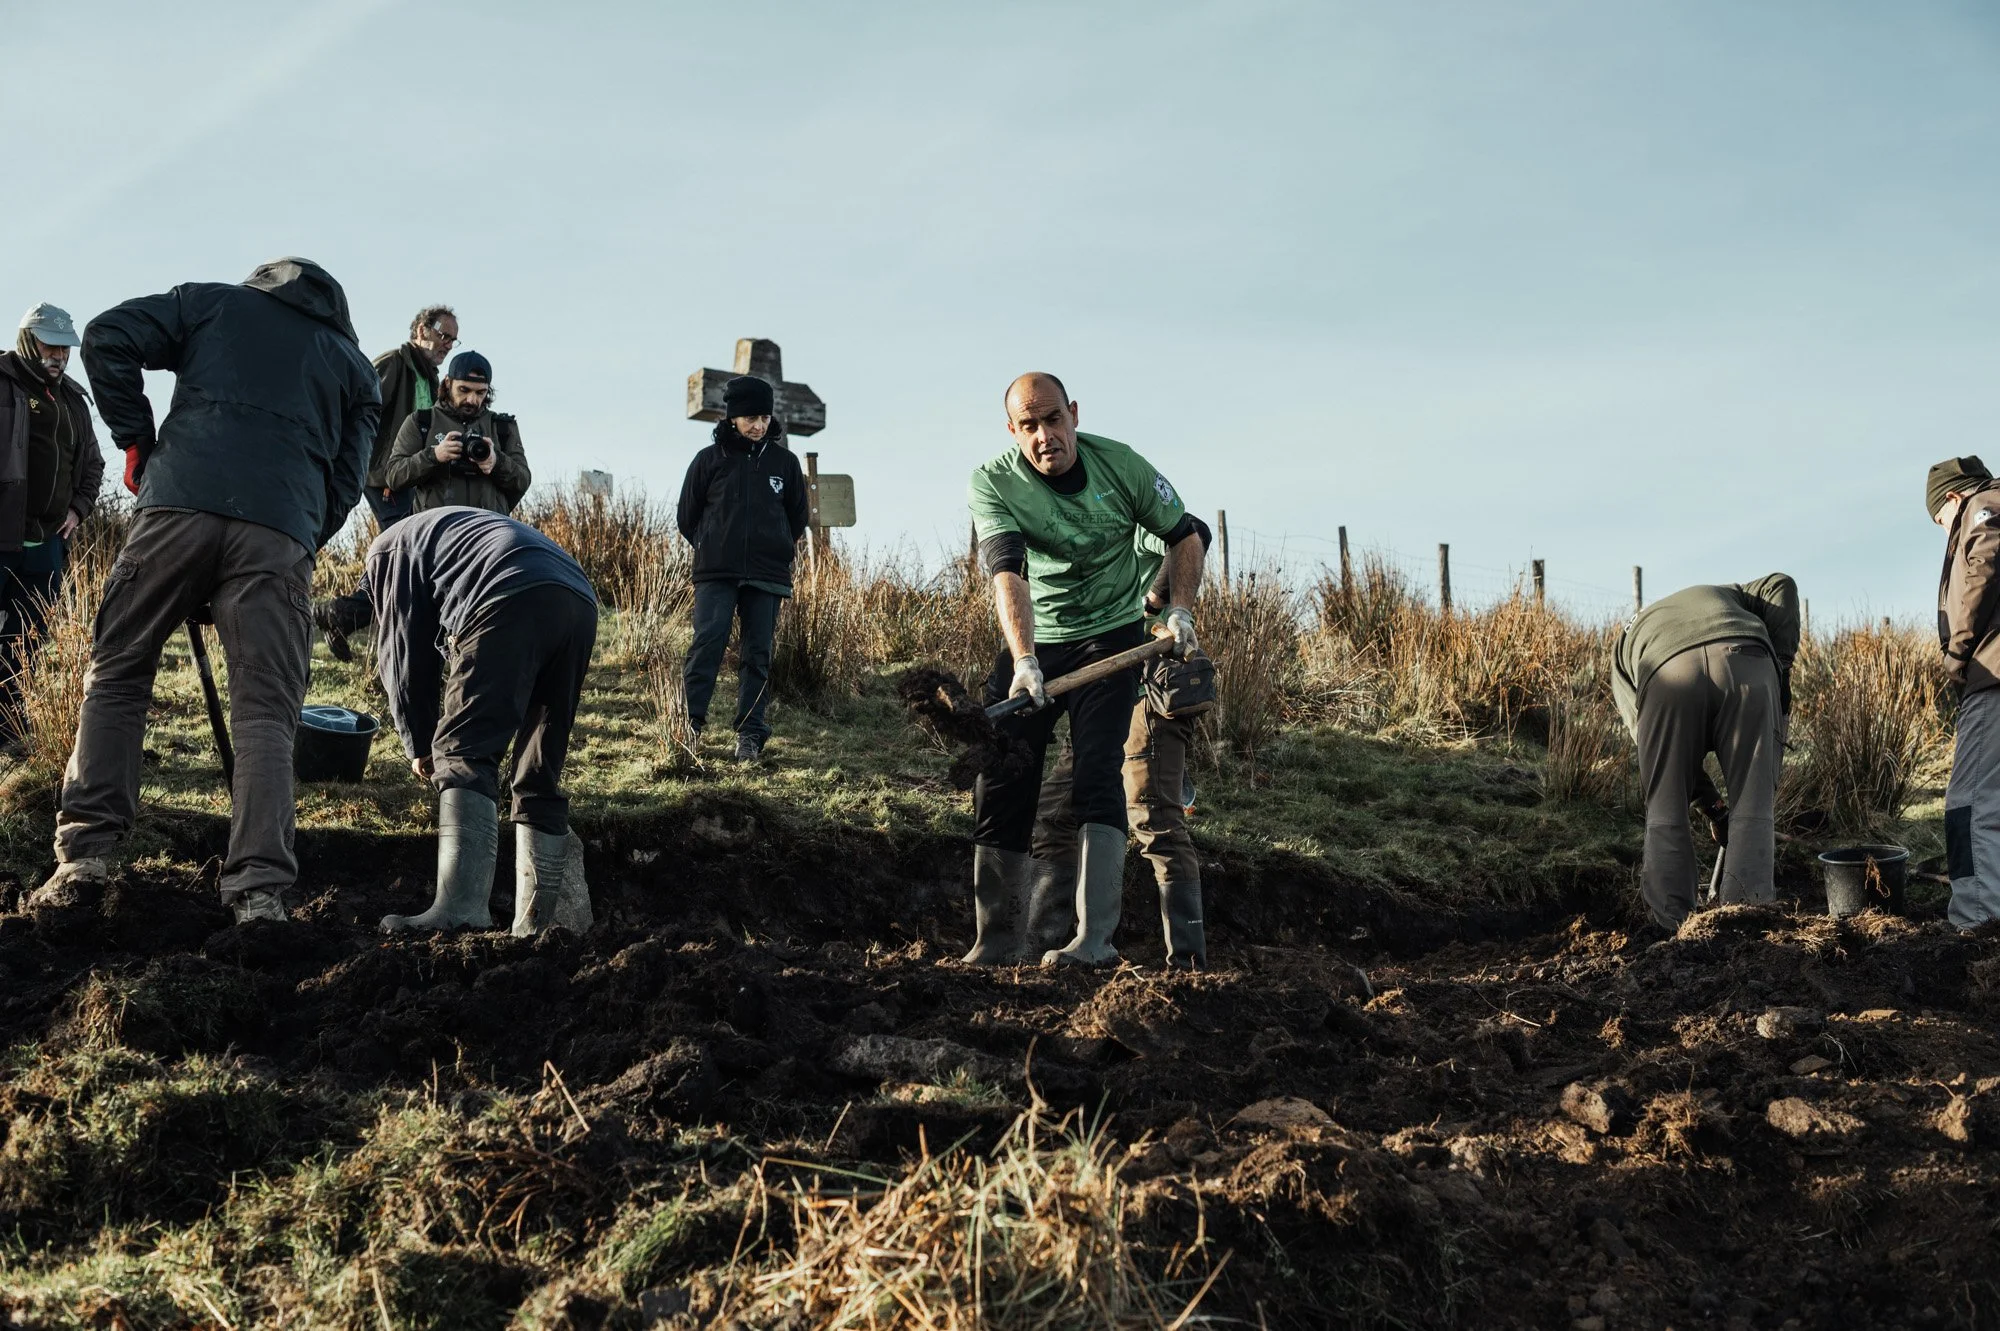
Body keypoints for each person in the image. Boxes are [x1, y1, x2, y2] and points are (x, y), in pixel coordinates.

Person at [34, 258, 379, 923]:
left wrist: (139, 444)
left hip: (176, 506)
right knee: (266, 711)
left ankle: (83, 861)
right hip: (279, 531)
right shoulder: (353, 367)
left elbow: (106, 336)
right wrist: (301, 531)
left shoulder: (211, 304)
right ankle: (259, 893)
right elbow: (347, 478)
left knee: (118, 674)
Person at [962, 371, 1203, 968]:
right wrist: (1024, 659)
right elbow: (1007, 570)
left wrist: (1177, 610)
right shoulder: (993, 482)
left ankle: (1094, 940)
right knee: (1003, 772)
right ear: (1012, 430)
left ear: (1073, 413)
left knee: (1097, 774)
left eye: (1053, 419)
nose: (1044, 435)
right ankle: (996, 943)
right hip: (1039, 637)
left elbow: (1186, 534)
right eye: (1029, 425)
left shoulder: (1121, 466)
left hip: (1112, 637)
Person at [367, 506, 597, 936]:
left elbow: (403, 654)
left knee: (463, 751)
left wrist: (420, 743)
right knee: (538, 770)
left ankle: (459, 912)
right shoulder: (445, 533)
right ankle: (535, 929)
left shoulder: (387, 551)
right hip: (578, 600)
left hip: (506, 590)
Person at [1033, 520, 1214, 969]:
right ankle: (1044, 943)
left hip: (1147, 693)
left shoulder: (1132, 530)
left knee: (1155, 819)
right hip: (1102, 695)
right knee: (1054, 812)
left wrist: (1154, 602)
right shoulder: (1080, 546)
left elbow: (1195, 531)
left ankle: (1188, 965)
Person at [1611, 574, 1798, 932]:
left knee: (1666, 811)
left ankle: (1673, 931)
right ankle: (1745, 924)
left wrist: (1708, 804)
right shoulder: (1736, 594)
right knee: (1753, 808)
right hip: (1746, 664)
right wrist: (1782, 669)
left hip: (1666, 671)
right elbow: (1782, 585)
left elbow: (1658, 753)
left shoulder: (1625, 645)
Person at [675, 374, 808, 763]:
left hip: (767, 576)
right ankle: (689, 726)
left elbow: (797, 517)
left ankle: (750, 734)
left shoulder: (785, 463)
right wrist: (713, 545)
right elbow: (687, 516)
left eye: (764, 417)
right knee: (707, 643)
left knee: (757, 655)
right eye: (751, 418)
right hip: (716, 572)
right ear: (732, 417)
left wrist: (775, 546)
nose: (758, 426)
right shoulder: (708, 460)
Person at [313, 304, 458, 660]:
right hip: (384, 477)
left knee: (403, 553)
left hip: (410, 479)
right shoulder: (395, 363)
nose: (447, 345)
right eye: (444, 335)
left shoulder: (428, 378)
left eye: (453, 340)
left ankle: (344, 615)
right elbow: (358, 403)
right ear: (422, 330)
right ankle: (344, 615)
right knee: (405, 552)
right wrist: (356, 463)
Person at [0, 304, 104, 731]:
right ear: (29, 342)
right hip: (2, 536)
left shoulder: (73, 400)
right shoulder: (2, 381)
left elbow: (93, 464)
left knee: (25, 638)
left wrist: (78, 510)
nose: (59, 356)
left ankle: (8, 725)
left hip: (47, 544)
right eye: (51, 346)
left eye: (65, 348)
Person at [1929, 455, 2000, 933]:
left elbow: (1984, 564)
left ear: (1954, 497)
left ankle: (1977, 922)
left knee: (1969, 802)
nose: (1945, 531)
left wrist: (1958, 651)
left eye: (1941, 520)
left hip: (1992, 674)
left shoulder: (1984, 505)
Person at [380, 351, 530, 515]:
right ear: (448, 383)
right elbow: (394, 476)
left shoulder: (503, 426)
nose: (472, 400)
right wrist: (434, 456)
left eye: (480, 392)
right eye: (464, 390)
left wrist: (496, 461)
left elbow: (523, 481)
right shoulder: (421, 422)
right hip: (437, 525)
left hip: (488, 526)